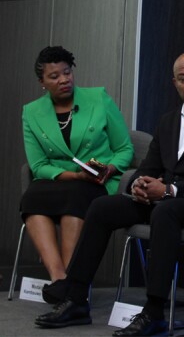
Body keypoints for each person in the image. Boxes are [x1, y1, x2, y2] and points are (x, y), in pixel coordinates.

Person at [34, 51, 184, 337]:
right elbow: (149, 166)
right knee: (102, 207)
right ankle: (75, 299)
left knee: (165, 212)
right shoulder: (168, 120)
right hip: (163, 198)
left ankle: (154, 312)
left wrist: (171, 190)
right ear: (175, 83)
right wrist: (138, 184)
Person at [21, 46, 134, 292]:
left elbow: (125, 148)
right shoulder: (31, 112)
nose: (64, 80)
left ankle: (72, 284)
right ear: (42, 82)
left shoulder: (98, 98)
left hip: (96, 183)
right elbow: (38, 165)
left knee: (76, 196)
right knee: (31, 198)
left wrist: (110, 169)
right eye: (54, 76)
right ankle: (59, 279)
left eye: (67, 72)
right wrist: (74, 175)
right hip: (58, 180)